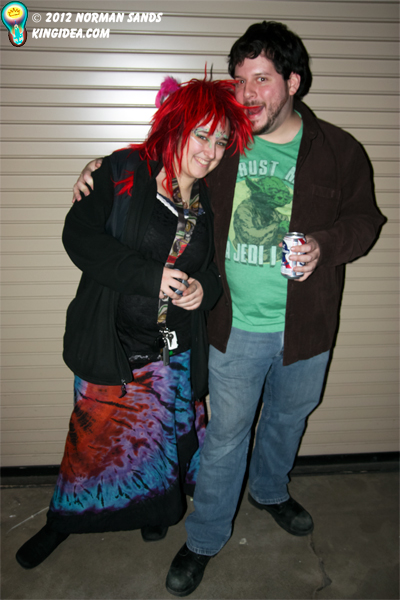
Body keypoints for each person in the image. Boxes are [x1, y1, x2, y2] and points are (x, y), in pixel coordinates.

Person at [72, 21, 385, 597]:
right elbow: (170, 153)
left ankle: (270, 491)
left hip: (307, 327)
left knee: (289, 420)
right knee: (225, 437)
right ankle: (205, 538)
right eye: (240, 80)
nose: (247, 93)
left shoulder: (339, 150)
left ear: (293, 81)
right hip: (233, 327)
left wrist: (325, 246)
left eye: (261, 79)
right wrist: (102, 166)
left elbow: (366, 221)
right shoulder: (228, 141)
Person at [15, 77, 253, 570]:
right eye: (202, 136)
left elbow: (213, 269)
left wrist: (202, 290)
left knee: (160, 437)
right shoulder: (124, 171)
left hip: (169, 343)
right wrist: (149, 276)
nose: (210, 152)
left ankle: (155, 508)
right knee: (91, 441)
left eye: (221, 141)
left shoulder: (208, 199)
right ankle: (63, 520)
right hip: (114, 341)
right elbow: (79, 236)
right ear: (177, 127)